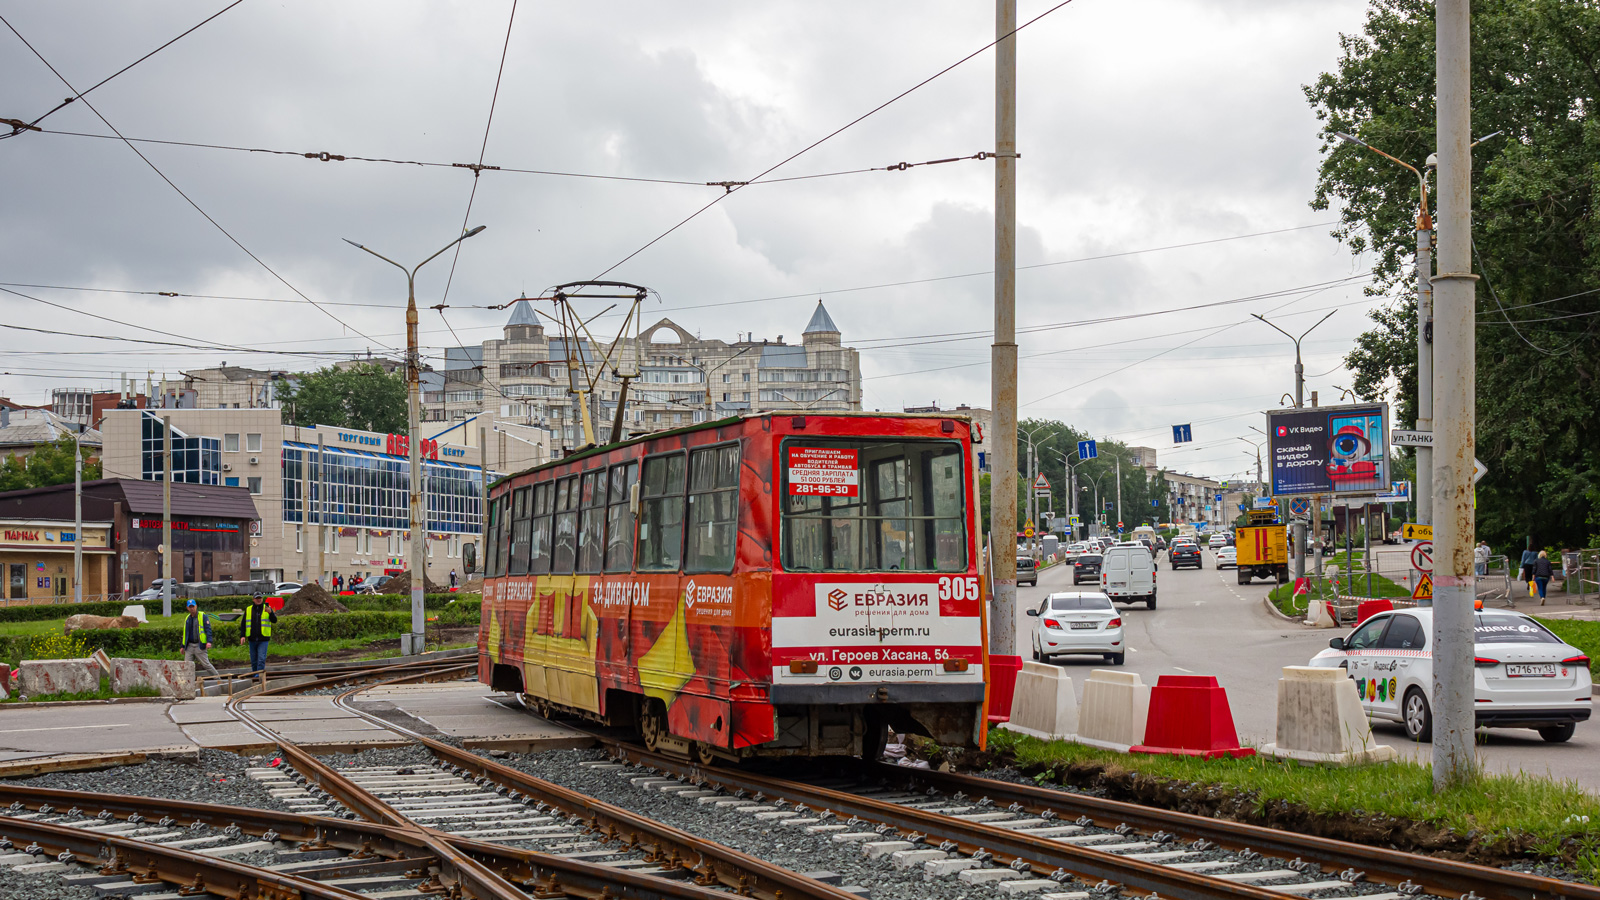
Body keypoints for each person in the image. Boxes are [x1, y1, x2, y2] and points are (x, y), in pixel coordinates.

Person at [238, 593, 278, 676]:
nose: (258, 600)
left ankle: (259, 676)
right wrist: (242, 635)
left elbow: (274, 620)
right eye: (257, 598)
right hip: (252, 639)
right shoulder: (248, 609)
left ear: (262, 599)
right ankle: (255, 675)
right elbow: (243, 623)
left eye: (260, 598)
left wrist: (271, 613)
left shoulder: (267, 608)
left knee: (261, 659)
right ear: (253, 599)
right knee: (254, 660)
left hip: (263, 638)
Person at [181, 599, 219, 681]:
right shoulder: (187, 618)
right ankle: (188, 682)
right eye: (190, 607)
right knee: (187, 665)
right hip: (189, 646)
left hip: (199, 645)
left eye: (193, 606)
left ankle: (218, 678)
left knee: (206, 664)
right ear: (187, 608)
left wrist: (209, 641)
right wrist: (182, 646)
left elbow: (208, 629)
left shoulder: (203, 616)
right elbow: (185, 634)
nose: (192, 609)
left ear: (196, 606)